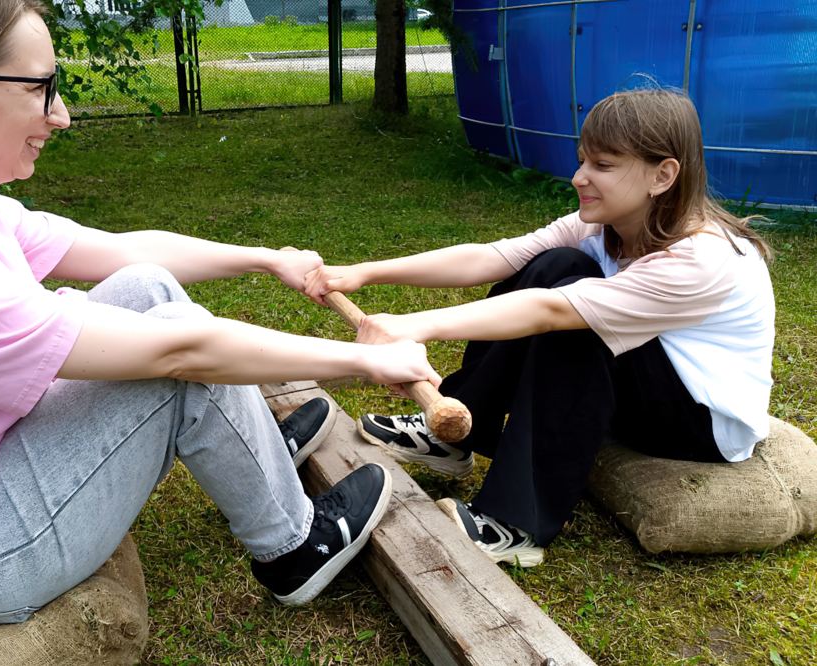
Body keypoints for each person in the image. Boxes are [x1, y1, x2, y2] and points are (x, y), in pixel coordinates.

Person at [0, 1, 441, 628]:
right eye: (40, 88)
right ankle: (294, 549)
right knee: (172, 339)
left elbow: (125, 252)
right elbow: (182, 351)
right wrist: (367, 359)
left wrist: (265, 258)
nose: (60, 114)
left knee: (144, 288)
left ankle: (244, 445)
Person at [303, 87, 775, 568]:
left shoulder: (703, 259)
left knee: (576, 322)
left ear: (664, 174)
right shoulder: (605, 224)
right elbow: (492, 257)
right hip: (649, 387)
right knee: (553, 265)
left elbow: (549, 311)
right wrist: (366, 272)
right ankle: (455, 437)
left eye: (603, 166)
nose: (579, 178)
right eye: (582, 161)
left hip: (697, 425)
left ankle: (516, 524)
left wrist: (412, 327)